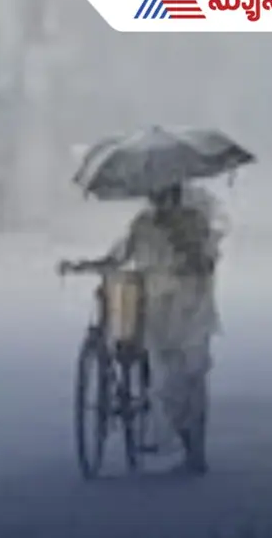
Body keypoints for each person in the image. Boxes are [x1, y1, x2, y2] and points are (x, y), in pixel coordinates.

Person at [59, 181, 225, 472]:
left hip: (192, 311)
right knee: (167, 385)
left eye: (166, 196)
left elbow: (208, 261)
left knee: (191, 380)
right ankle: (186, 443)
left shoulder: (195, 223)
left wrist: (190, 252)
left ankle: (195, 452)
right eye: (157, 196)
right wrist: (84, 265)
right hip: (158, 313)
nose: (160, 202)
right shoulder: (143, 224)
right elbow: (118, 257)